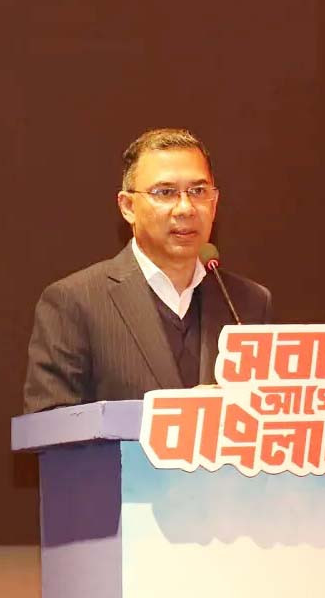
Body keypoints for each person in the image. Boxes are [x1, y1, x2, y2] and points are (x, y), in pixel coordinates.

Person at [23, 128, 272, 413]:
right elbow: (51, 425)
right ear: (128, 206)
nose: (185, 208)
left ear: (214, 204)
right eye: (165, 192)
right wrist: (180, 414)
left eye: (198, 191)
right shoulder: (76, 303)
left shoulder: (247, 304)